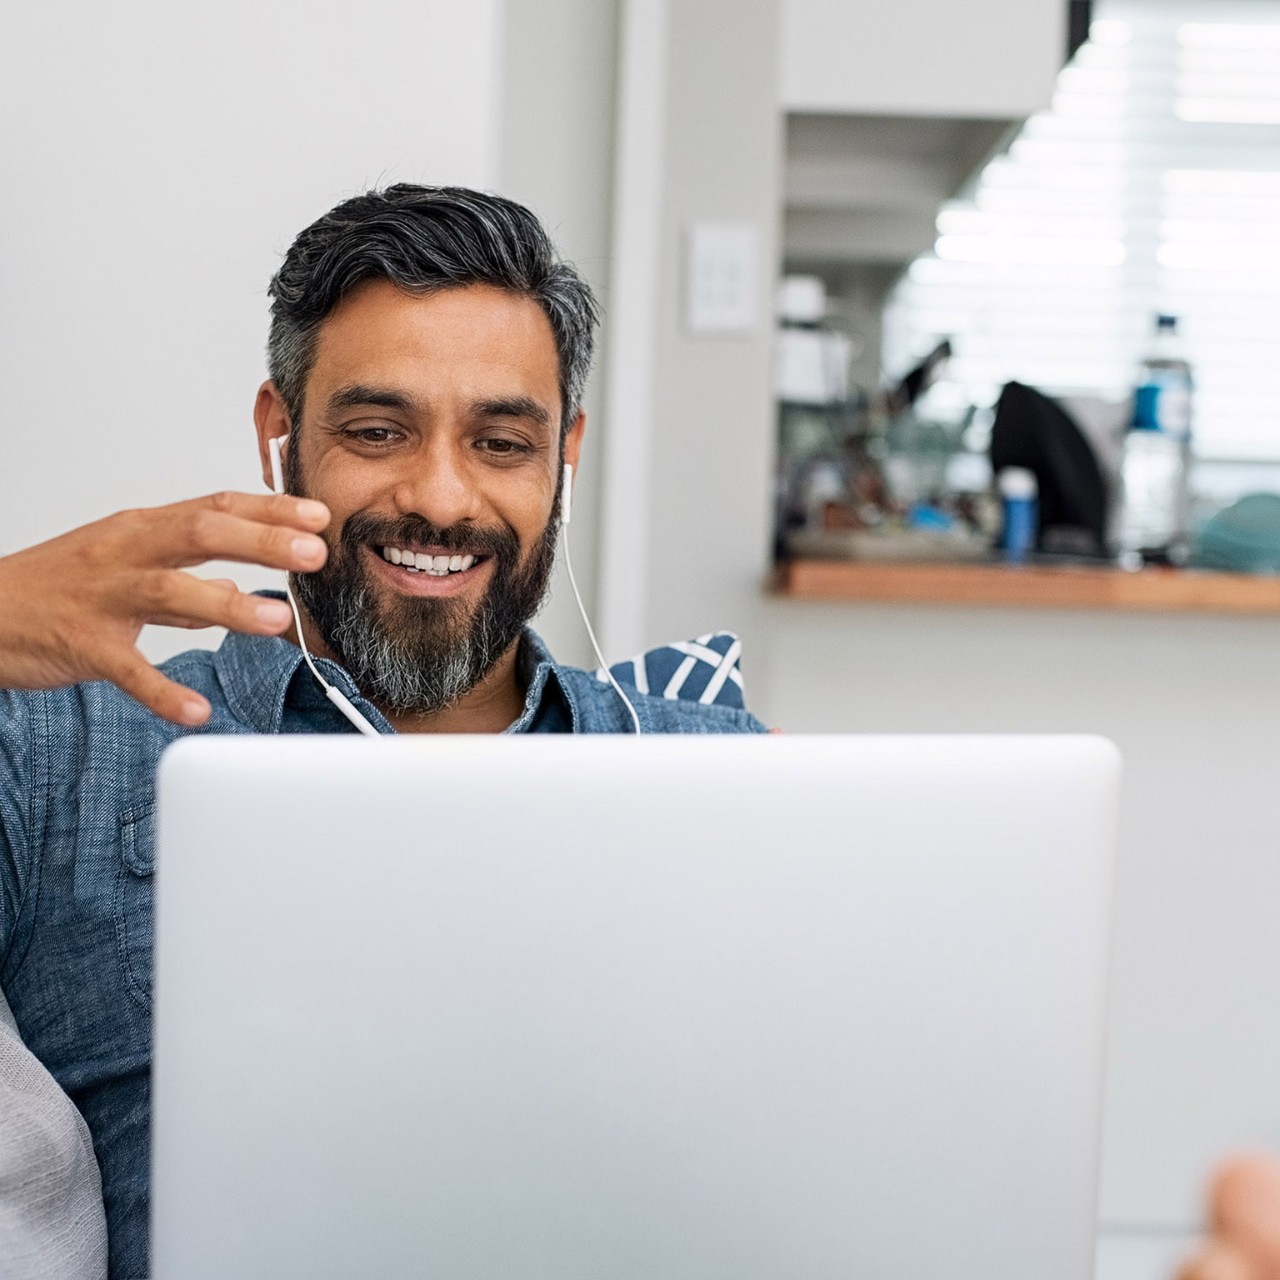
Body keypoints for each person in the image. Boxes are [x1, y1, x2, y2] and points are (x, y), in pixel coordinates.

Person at [0, 185, 767, 1279]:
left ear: (565, 456)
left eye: (501, 441)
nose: (442, 498)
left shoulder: (729, 776)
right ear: (281, 431)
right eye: (376, 430)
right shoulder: (59, 746)